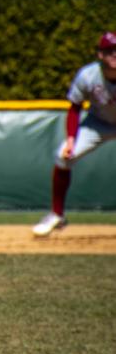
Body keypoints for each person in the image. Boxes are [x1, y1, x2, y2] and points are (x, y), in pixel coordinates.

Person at [33, 31, 116, 237]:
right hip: (98, 124)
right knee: (63, 156)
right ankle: (57, 215)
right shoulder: (88, 75)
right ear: (100, 54)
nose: (114, 55)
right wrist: (71, 139)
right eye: (109, 51)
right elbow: (75, 107)